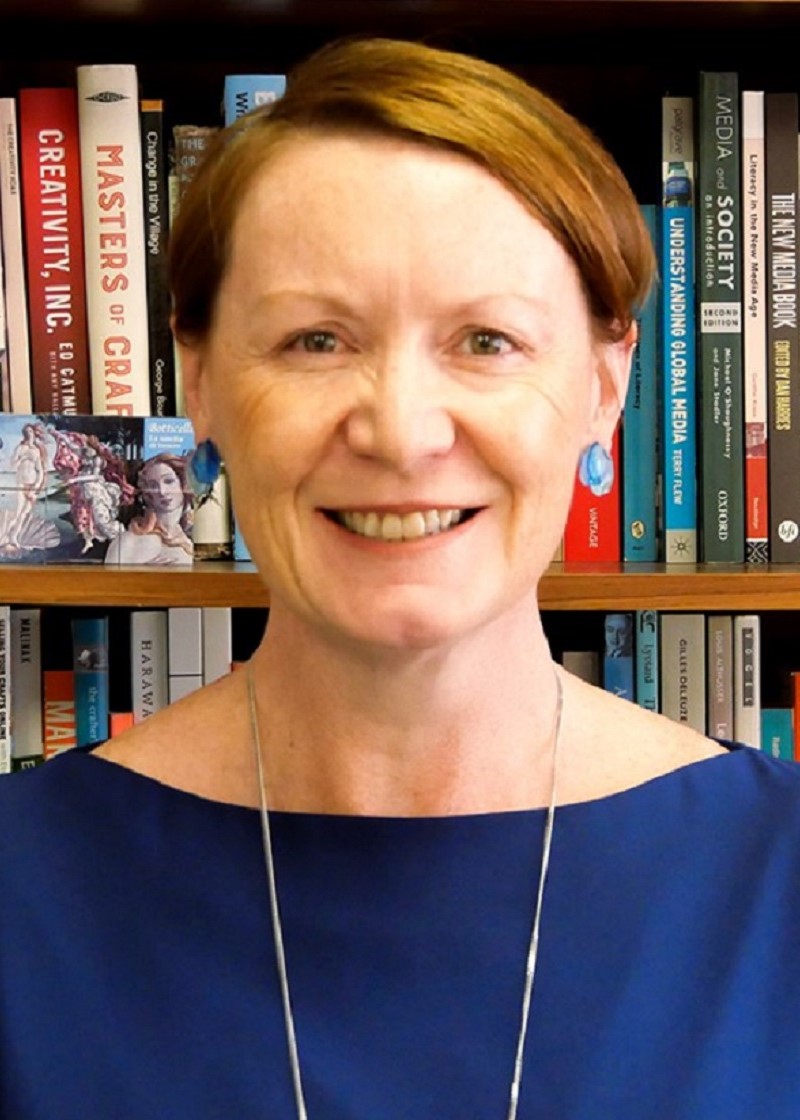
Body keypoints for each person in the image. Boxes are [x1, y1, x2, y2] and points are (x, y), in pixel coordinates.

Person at [1, 36, 799, 1120]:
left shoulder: (775, 876)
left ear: (606, 385)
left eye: (485, 339)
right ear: (197, 378)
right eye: (316, 339)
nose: (401, 431)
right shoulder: (23, 887)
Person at [104, 451, 194, 566]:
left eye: (168, 481)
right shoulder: (128, 541)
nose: (162, 491)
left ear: (183, 483)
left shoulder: (191, 539)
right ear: (146, 494)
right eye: (153, 485)